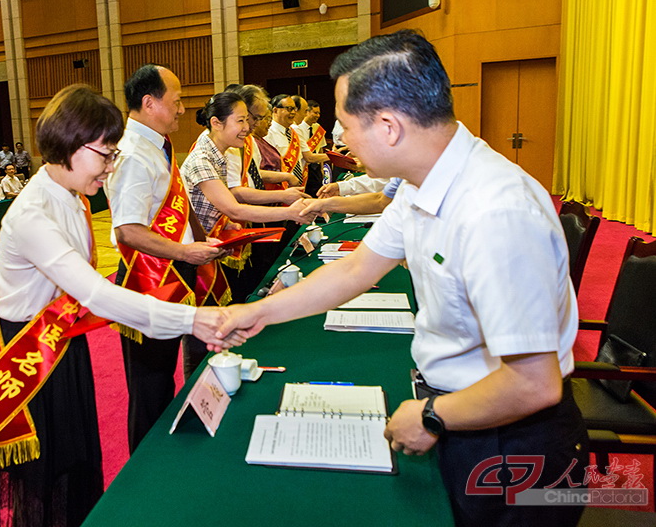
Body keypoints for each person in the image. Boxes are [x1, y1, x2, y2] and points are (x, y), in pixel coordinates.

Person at [217, 30, 588, 526]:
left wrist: (434, 416)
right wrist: (257, 311)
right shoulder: (424, 183)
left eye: (346, 125)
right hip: (465, 414)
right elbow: (355, 269)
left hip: (512, 443)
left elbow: (533, 383)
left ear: (389, 126)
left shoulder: (495, 211)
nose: (340, 137)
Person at [0, 84, 242, 527]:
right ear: (71, 145)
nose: (111, 167)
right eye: (106, 154)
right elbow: (96, 294)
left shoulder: (70, 195)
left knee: (79, 458)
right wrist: (196, 319)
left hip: (63, 346)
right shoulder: (32, 214)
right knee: (45, 472)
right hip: (31, 358)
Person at [104, 64, 228, 453]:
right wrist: (184, 250)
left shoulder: (156, 143)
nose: (180, 109)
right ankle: (142, 471)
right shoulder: (133, 155)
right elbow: (128, 229)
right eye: (175, 101)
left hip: (176, 273)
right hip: (149, 279)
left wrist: (198, 243)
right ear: (149, 102)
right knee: (151, 386)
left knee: (171, 376)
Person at [181, 92, 317, 302]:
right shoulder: (202, 159)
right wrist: (290, 211)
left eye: (248, 119)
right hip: (196, 253)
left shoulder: (219, 155)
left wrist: (225, 224)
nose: (247, 127)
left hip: (212, 244)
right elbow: (234, 208)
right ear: (216, 123)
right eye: (241, 120)